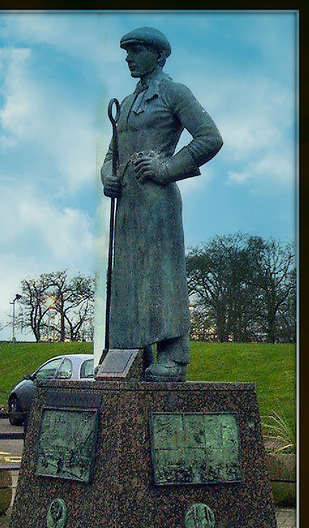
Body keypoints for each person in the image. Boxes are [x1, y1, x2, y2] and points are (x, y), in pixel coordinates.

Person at [101, 27, 223, 381]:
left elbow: (210, 137)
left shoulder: (174, 92)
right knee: (128, 277)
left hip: (158, 201)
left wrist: (167, 167)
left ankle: (175, 356)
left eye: (136, 50)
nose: (128, 57)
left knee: (161, 275)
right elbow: (112, 153)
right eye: (126, 51)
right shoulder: (124, 104)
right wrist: (107, 175)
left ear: (158, 55)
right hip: (127, 205)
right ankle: (133, 353)